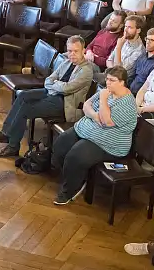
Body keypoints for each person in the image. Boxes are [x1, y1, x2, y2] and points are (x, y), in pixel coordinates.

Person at [0, 35, 94, 157]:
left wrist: (56, 84)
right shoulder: (67, 62)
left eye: (76, 51)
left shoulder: (86, 70)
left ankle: (13, 147)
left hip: (64, 104)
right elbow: (49, 79)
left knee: (26, 108)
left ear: (83, 51)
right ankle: (6, 132)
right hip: (52, 93)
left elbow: (67, 88)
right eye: (69, 51)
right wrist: (56, 85)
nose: (72, 54)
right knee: (23, 95)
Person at [51, 66, 137, 205]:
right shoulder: (106, 91)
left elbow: (107, 122)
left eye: (112, 80)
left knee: (75, 156)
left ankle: (69, 191)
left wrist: (103, 101)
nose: (108, 83)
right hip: (88, 129)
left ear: (122, 82)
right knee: (61, 144)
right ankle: (75, 177)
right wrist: (96, 116)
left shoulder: (127, 103)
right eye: (107, 79)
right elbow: (86, 105)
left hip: (109, 143)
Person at [129, 27, 154, 95]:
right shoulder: (142, 56)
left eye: (152, 40)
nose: (148, 42)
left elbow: (150, 87)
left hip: (140, 96)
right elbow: (132, 75)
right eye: (147, 39)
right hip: (129, 91)